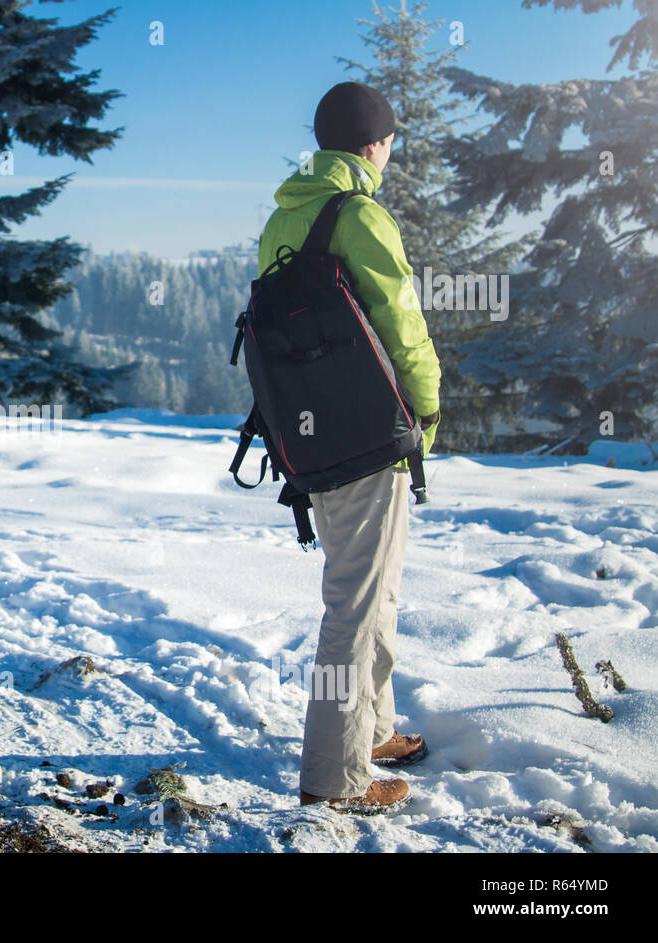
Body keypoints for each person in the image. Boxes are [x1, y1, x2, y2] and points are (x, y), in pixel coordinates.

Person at [257, 81, 442, 813]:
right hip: (369, 434)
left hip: (313, 439)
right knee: (355, 606)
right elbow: (402, 317)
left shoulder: (284, 218)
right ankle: (334, 780)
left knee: (372, 589)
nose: (390, 153)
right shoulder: (361, 213)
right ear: (374, 145)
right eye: (389, 142)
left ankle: (374, 728)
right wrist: (426, 406)